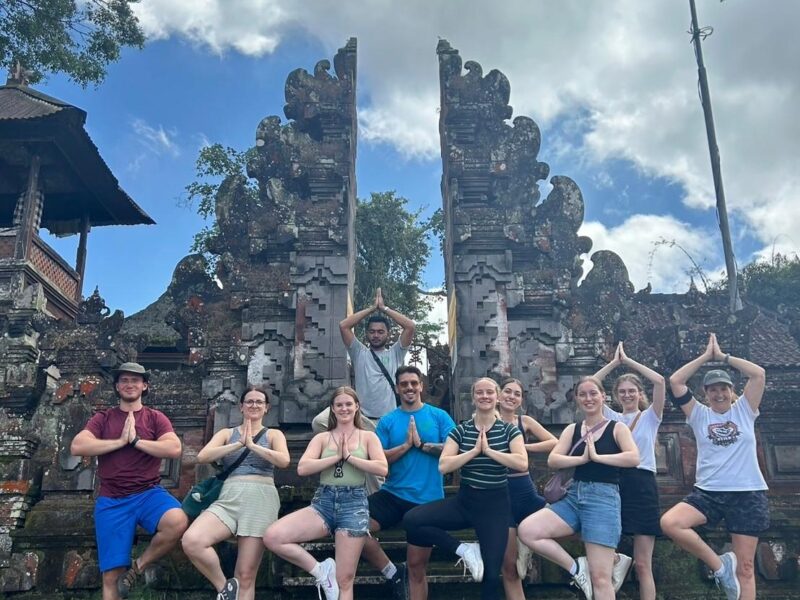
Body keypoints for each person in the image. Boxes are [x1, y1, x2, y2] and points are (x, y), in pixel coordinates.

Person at [660, 333, 768, 600]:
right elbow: (675, 381)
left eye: (724, 388)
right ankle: (720, 566)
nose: (719, 394)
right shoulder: (699, 414)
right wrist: (706, 357)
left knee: (746, 568)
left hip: (748, 493)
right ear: (705, 394)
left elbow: (758, 374)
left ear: (732, 391)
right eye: (712, 389)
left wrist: (723, 357)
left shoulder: (745, 409)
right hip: (709, 492)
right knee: (671, 523)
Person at [70, 362, 188, 600]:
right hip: (112, 499)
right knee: (111, 575)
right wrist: (119, 441)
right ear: (117, 386)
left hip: (148, 493)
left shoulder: (155, 418)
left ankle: (139, 566)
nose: (129, 384)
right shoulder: (103, 419)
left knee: (178, 520)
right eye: (124, 380)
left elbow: (174, 448)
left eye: (135, 380)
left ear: (145, 386)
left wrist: (136, 441)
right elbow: (77, 446)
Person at [402, 377, 528, 600]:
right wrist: (472, 452)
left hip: (495, 507)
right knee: (413, 519)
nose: (485, 396)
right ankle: (463, 549)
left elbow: (521, 462)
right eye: (480, 392)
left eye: (490, 392)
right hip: (465, 502)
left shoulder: (509, 431)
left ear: (497, 397)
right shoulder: (460, 431)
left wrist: (488, 451)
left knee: (491, 575)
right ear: (473, 398)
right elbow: (443, 465)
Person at [517, 376, 639, 600]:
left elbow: (633, 458)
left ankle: (609, 561)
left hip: (603, 498)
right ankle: (576, 568)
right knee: (528, 530)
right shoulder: (572, 430)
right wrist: (582, 459)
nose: (588, 398)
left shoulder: (617, 428)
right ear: (577, 399)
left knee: (601, 579)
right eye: (582, 394)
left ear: (603, 396)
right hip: (573, 497)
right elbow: (554, 459)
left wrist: (598, 457)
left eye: (593, 393)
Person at [263, 387, 388, 600]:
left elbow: (382, 468)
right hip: (324, 502)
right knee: (273, 536)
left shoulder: (368, 437)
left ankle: (333, 578)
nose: (344, 408)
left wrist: (349, 457)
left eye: (349, 404)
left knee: (345, 579)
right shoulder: (323, 438)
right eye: (339, 405)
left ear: (357, 407)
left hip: (354, 504)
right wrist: (335, 457)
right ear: (332, 409)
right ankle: (321, 571)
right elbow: (302, 468)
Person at [181, 385, 290, 600]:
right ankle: (225, 588)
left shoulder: (274, 434)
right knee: (192, 540)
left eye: (259, 402)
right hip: (230, 495)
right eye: (249, 401)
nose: (254, 405)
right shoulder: (227, 433)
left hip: (260, 498)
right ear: (241, 406)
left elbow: (284, 460)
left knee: (246, 575)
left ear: (266, 408)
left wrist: (253, 446)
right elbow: (203, 456)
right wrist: (237, 444)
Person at [360, 365, 456, 600]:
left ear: (421, 386)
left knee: (417, 568)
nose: (409, 388)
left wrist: (422, 445)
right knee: (350, 524)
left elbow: (453, 451)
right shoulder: (387, 421)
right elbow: (378, 458)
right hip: (392, 494)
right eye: (404, 384)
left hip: (427, 499)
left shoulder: (439, 416)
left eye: (414, 383)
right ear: (397, 388)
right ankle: (392, 571)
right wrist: (405, 446)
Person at [589, 342, 666, 599]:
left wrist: (629, 361)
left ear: (639, 393)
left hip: (643, 485)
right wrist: (614, 363)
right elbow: (589, 384)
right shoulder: (610, 417)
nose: (627, 395)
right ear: (614, 395)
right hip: (615, 484)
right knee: (607, 553)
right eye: (622, 391)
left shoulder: (650, 416)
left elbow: (660, 382)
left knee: (643, 564)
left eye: (631, 391)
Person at [312, 288, 416, 434]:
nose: (376, 335)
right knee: (319, 422)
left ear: (388, 334)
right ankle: (341, 446)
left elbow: (410, 326)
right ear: (366, 334)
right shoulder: (359, 352)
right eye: (372, 331)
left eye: (380, 332)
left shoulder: (395, 353)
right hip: (361, 419)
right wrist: (372, 308)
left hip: (387, 419)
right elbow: (344, 326)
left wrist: (384, 309)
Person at [496, 378, 557, 600]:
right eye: (508, 392)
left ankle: (526, 542)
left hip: (525, 490)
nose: (511, 396)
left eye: (517, 394)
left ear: (521, 400)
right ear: (498, 394)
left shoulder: (525, 421)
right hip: (500, 495)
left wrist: (523, 447)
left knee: (569, 524)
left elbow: (553, 442)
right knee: (510, 567)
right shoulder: (486, 420)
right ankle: (521, 545)